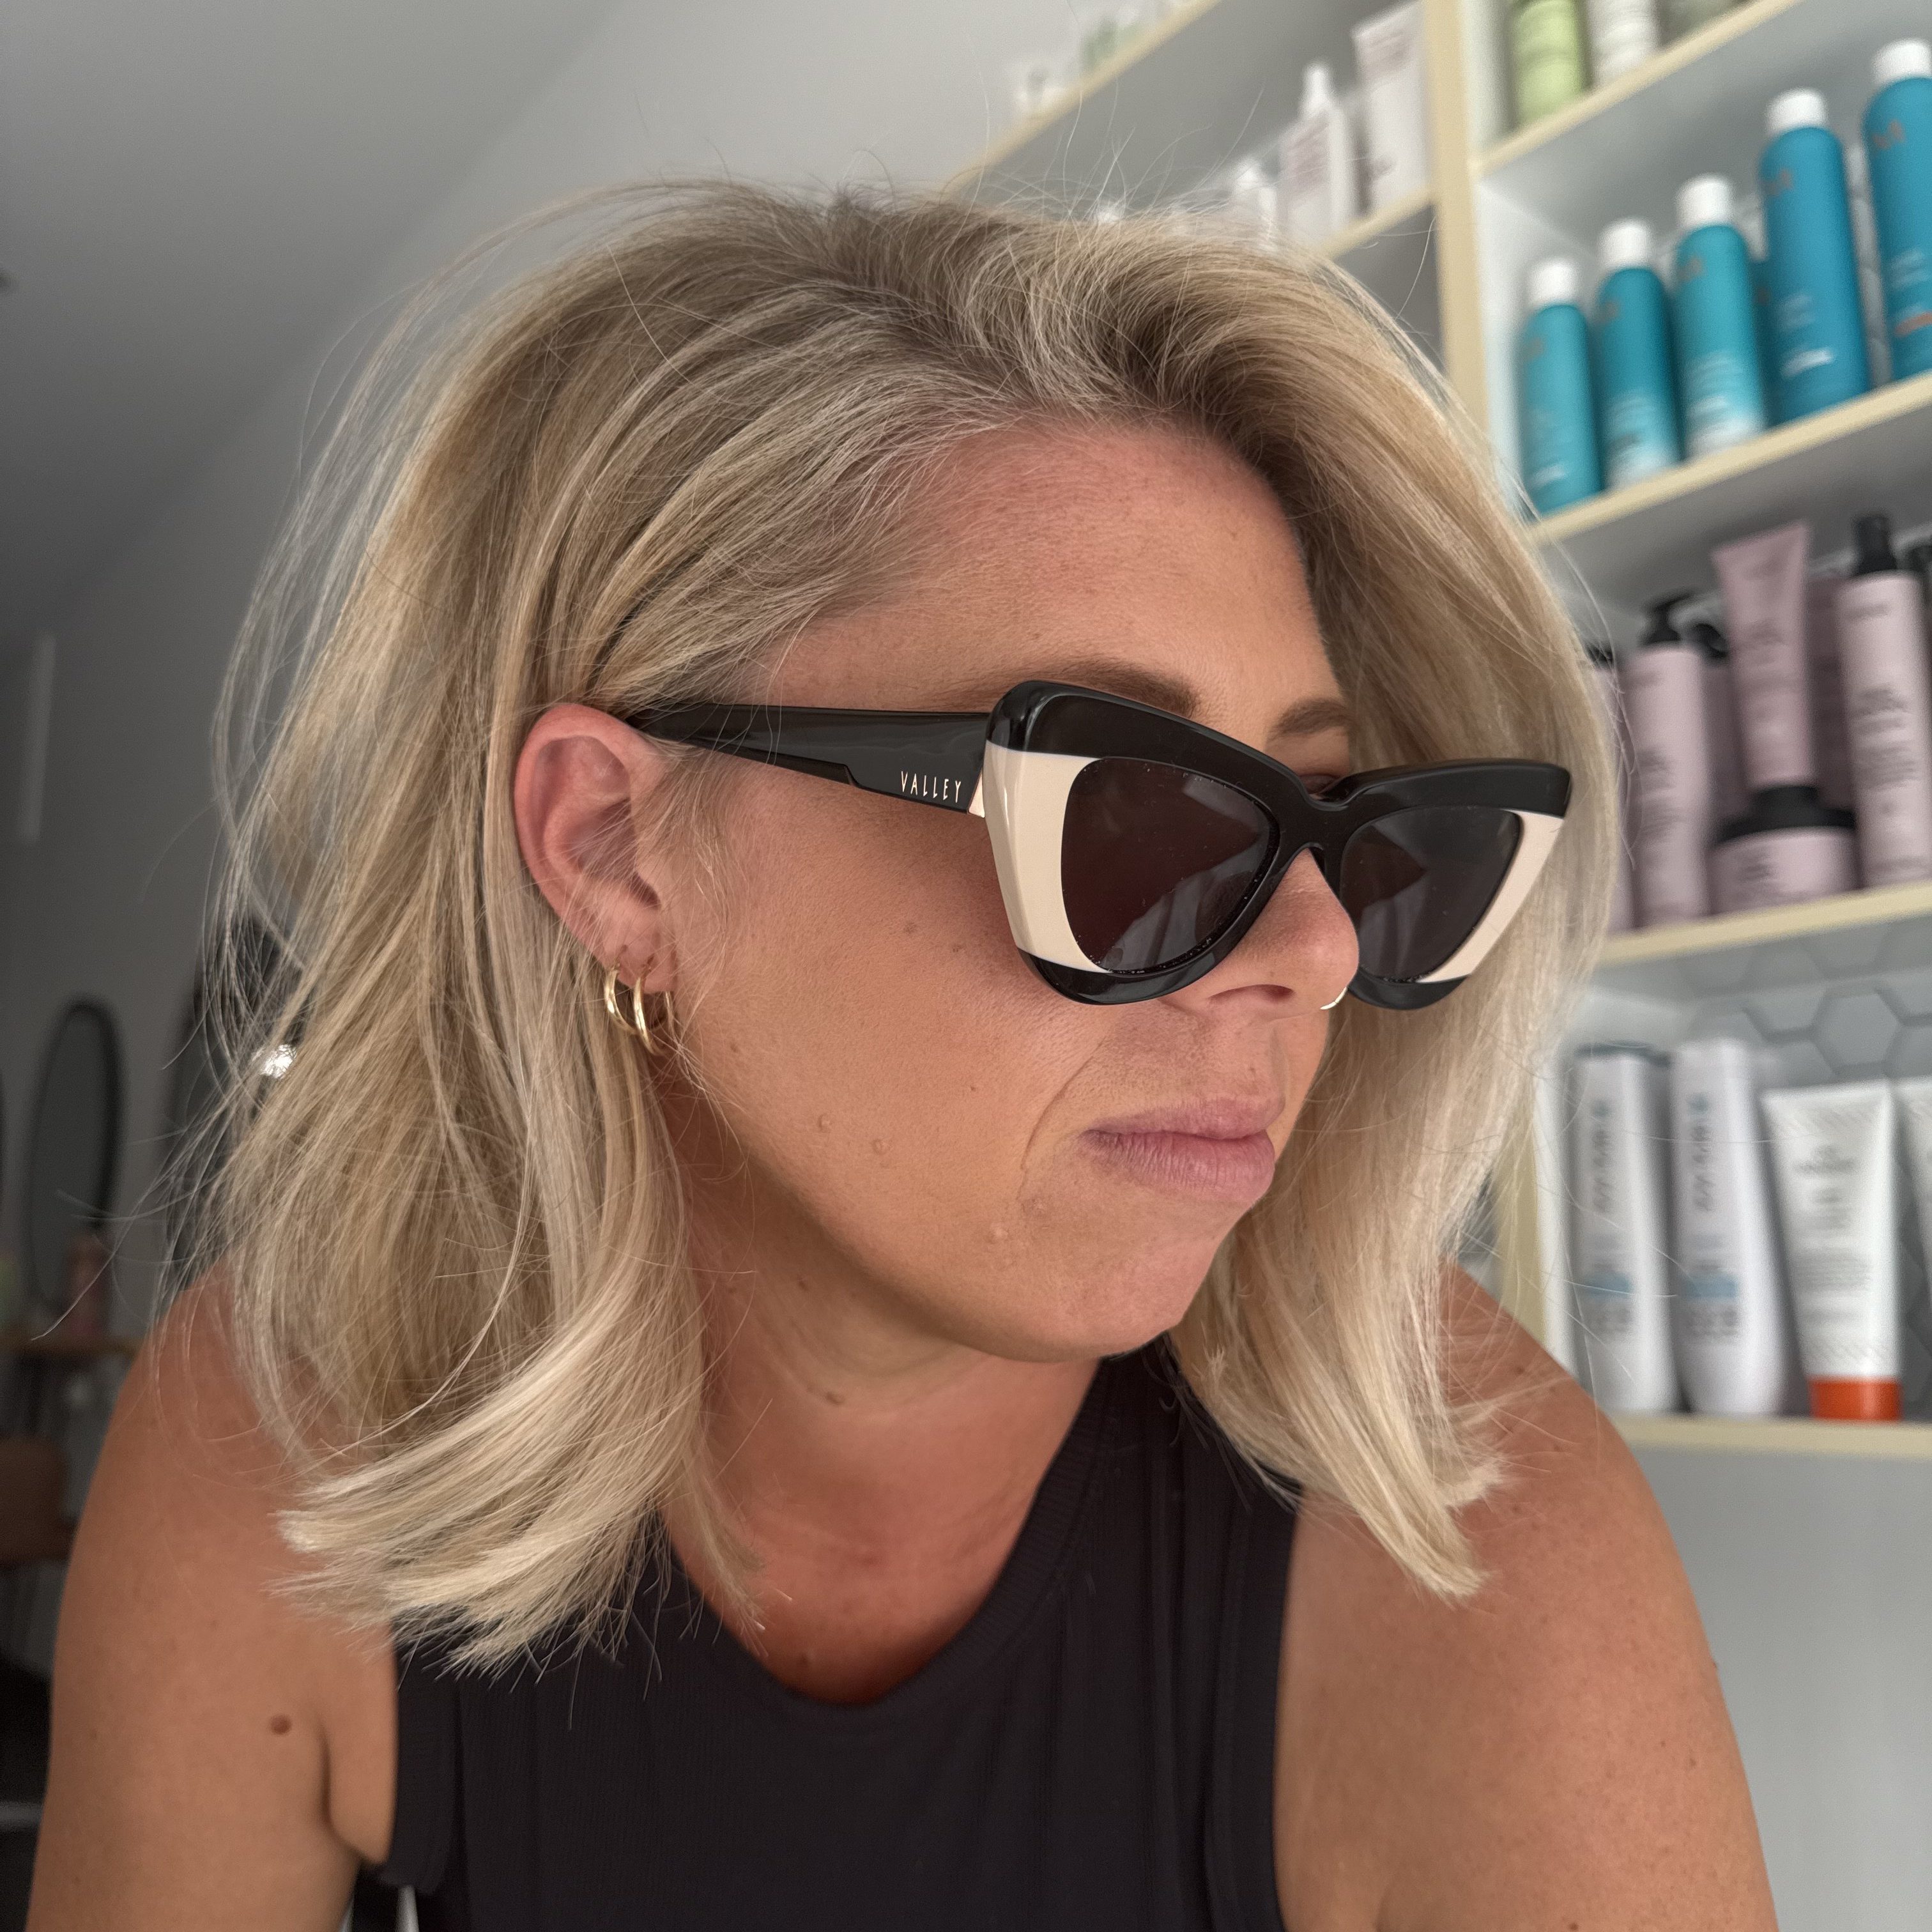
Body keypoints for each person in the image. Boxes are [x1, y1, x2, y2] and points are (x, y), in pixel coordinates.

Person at [29, 183, 1775, 1931]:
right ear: (619, 853)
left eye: (1335, 818)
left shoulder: (1464, 1519)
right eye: (1128, 811)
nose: (1315, 952)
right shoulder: (290, 1439)